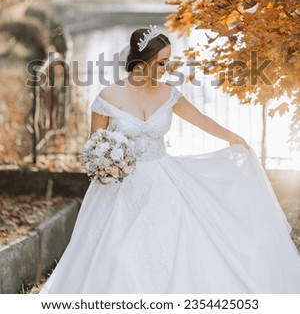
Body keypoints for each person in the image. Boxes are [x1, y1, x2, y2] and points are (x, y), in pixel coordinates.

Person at [41, 25, 300, 294]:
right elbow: (94, 145)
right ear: (142, 62)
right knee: (118, 250)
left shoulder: (169, 94)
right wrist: (108, 165)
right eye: (162, 62)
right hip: (119, 187)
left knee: (173, 242)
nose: (168, 67)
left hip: (162, 181)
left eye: (168, 61)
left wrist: (235, 138)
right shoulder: (107, 97)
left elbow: (202, 120)